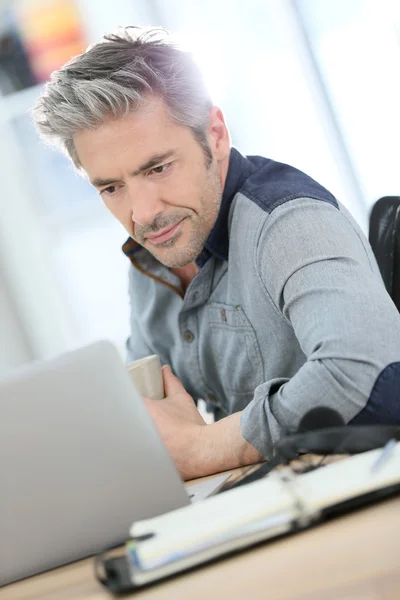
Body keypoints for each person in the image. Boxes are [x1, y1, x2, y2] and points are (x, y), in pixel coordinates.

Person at [32, 26, 400, 480]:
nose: (143, 213)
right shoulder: (150, 255)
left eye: (158, 167)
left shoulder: (287, 221)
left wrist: (206, 447)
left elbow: (374, 375)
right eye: (111, 187)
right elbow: (151, 415)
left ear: (216, 134)